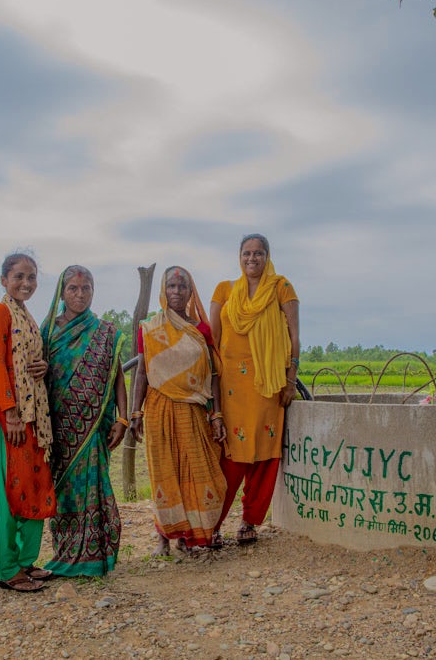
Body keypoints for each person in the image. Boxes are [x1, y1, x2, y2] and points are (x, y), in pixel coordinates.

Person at [130, 266, 228, 556]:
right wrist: (135, 413)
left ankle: (189, 535)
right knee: (165, 473)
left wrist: (217, 414)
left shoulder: (200, 330)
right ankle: (163, 535)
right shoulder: (150, 328)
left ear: (190, 291)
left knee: (197, 471)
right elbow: (142, 372)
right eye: (171, 286)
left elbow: (213, 375)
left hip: (193, 411)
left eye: (182, 286)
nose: (176, 292)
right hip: (158, 408)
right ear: (163, 289)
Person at [210, 234, 300, 544]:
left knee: (263, 455)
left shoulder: (281, 287)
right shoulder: (224, 290)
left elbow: (294, 336)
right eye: (247, 253)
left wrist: (290, 379)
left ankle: (249, 522)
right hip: (231, 386)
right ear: (239, 256)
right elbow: (213, 343)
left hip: (267, 384)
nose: (253, 258)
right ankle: (213, 523)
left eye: (259, 253)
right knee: (230, 457)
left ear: (267, 256)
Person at [41, 265, 128, 576]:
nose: (80, 294)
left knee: (95, 484)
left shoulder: (104, 331)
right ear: (62, 293)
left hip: (95, 427)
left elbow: (117, 375)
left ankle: (97, 555)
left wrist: (123, 418)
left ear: (94, 290)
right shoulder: (49, 330)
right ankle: (65, 552)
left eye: (86, 288)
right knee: (64, 492)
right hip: (58, 428)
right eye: (73, 289)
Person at [0, 252, 56, 593]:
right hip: (13, 419)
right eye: (19, 277)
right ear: (3, 280)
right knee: (8, 491)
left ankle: (27, 561)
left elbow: (29, 362)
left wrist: (42, 367)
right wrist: (9, 412)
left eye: (31, 277)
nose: (26, 283)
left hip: (35, 419)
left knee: (34, 488)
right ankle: (8, 569)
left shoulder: (26, 316)